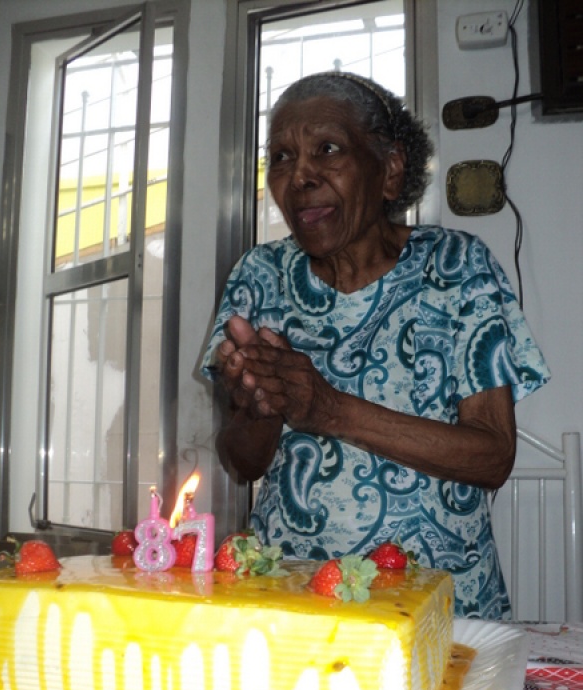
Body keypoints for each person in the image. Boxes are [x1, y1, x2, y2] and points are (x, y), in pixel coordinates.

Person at [201, 71, 550, 619]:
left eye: (328, 149)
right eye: (282, 158)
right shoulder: (259, 275)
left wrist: (329, 409)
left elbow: (492, 455)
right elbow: (243, 463)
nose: (299, 178)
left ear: (389, 170)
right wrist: (258, 408)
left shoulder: (458, 267)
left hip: (437, 606)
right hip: (292, 599)